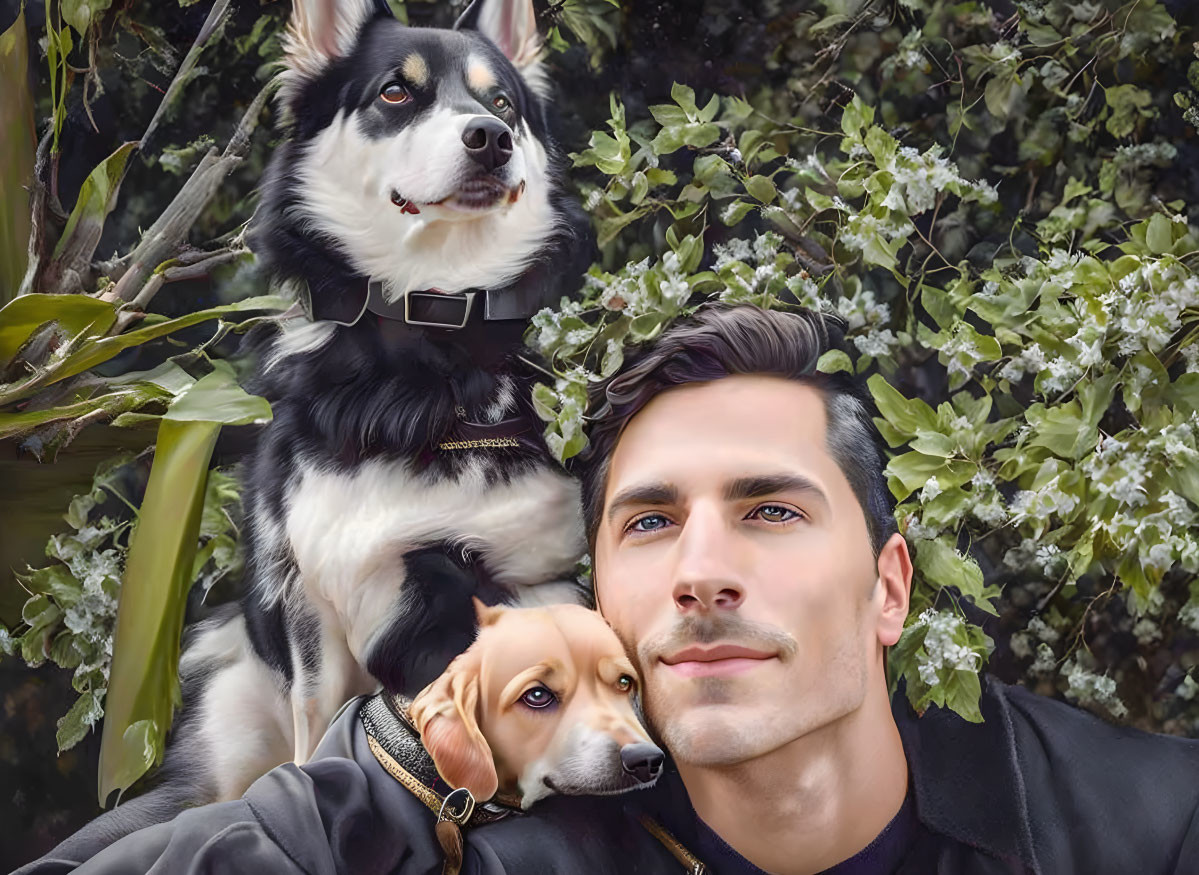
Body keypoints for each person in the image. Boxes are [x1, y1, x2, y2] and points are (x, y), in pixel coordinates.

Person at [17, 303, 1199, 875]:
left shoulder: (1140, 823)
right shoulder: (482, 813)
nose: (697, 570)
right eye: (647, 521)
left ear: (888, 588)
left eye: (770, 509)